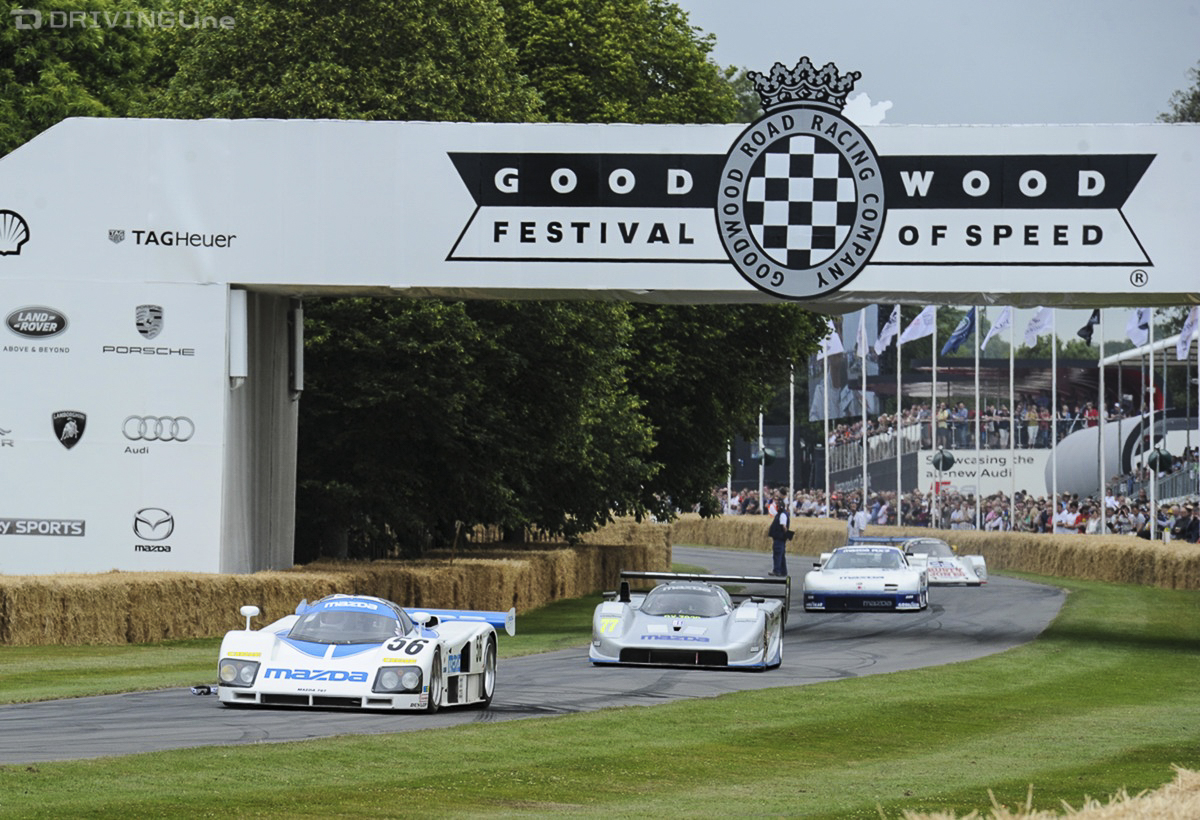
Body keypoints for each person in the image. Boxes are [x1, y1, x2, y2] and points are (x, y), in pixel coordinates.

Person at [767, 502, 792, 577]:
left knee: (777, 554)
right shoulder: (782, 514)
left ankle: (777, 570)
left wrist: (785, 534)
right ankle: (783, 571)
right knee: (781, 555)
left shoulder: (782, 515)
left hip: (779, 537)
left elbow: (783, 526)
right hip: (779, 537)